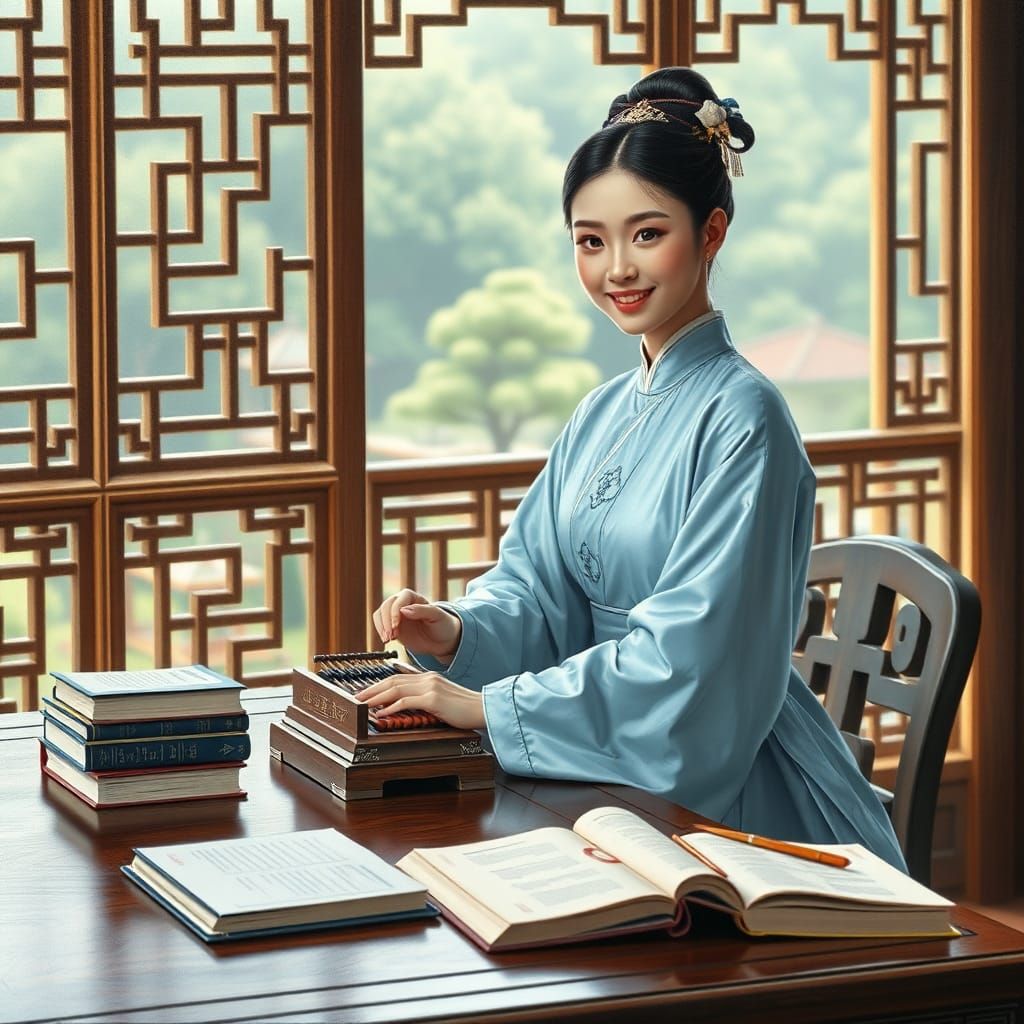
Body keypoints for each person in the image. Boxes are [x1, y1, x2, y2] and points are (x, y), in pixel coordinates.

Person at [360, 67, 907, 871]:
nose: (617, 268)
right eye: (591, 240)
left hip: (734, 791)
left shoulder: (746, 419)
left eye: (647, 234)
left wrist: (488, 706)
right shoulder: (601, 411)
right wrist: (461, 631)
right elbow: (540, 591)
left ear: (712, 232)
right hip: (604, 767)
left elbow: (690, 665)